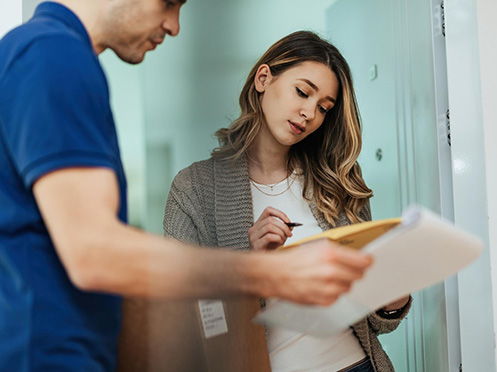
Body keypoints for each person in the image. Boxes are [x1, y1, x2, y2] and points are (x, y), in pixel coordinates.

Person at [0, 2, 374, 371]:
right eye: (169, 3)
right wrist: (268, 272)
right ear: (264, 79)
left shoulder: (60, 56)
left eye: (324, 107)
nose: (175, 25)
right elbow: (94, 252)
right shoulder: (52, 55)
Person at [160, 31, 412, 372]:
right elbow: (184, 324)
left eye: (324, 107)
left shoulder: (337, 180)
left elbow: (374, 317)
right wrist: (252, 266)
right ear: (263, 78)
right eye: (302, 92)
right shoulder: (193, 190)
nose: (310, 113)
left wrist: (391, 301)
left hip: (358, 364)